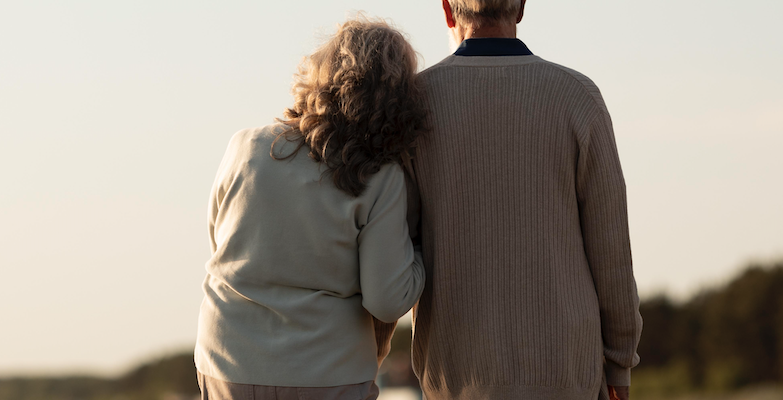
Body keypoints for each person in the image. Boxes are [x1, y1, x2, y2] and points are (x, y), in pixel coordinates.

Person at [406, 1, 643, 399]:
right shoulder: (577, 96)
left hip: (457, 379)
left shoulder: (414, 104)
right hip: (568, 377)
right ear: (521, 7)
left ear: (448, 10)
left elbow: (397, 249)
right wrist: (619, 363)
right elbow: (612, 252)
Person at [194, 17, 427, 400]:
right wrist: (419, 252)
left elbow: (219, 242)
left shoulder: (245, 147)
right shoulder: (381, 178)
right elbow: (387, 300)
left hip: (226, 363)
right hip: (327, 374)